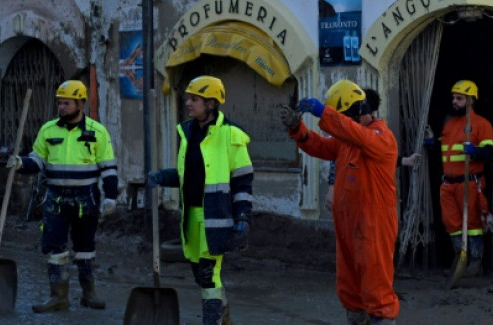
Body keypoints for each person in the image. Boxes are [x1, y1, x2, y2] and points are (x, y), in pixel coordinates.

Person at [279, 80, 399, 325]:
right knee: (350, 287)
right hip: (348, 225)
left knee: (377, 289)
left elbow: (357, 135)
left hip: (373, 226)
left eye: (341, 117)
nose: (339, 125)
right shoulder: (348, 140)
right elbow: (321, 146)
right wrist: (298, 129)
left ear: (355, 112)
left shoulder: (381, 138)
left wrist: (324, 112)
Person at [147, 76, 253, 325]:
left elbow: (243, 181)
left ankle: (213, 320)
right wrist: (164, 176)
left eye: (194, 99)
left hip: (216, 217)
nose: (187, 103)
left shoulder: (231, 135)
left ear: (211, 103)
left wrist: (243, 216)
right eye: (188, 98)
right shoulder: (188, 133)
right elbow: (190, 176)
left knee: (208, 273)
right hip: (191, 217)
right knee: (199, 273)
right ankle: (223, 313)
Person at [7, 81, 117, 313]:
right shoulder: (48, 130)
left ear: (81, 104)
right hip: (55, 198)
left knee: (85, 247)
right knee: (54, 248)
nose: (61, 107)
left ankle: (89, 294)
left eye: (66, 103)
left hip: (86, 198)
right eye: (59, 103)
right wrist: (20, 164)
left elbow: (108, 168)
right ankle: (58, 297)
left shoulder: (98, 132)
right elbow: (37, 161)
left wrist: (111, 197)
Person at [427, 80, 493, 277]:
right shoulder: (449, 124)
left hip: (470, 183)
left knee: (473, 224)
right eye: (453, 98)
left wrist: (476, 151)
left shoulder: (481, 124)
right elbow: (443, 146)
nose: (454, 102)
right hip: (448, 184)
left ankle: (475, 261)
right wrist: (432, 144)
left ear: (471, 100)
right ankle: (459, 258)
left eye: (459, 98)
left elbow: (489, 151)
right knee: (452, 224)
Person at [324, 87, 421, 211]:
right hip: (351, 201)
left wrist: (405, 161)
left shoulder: (376, 133)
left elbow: (377, 155)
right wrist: (332, 187)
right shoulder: (352, 132)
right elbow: (336, 156)